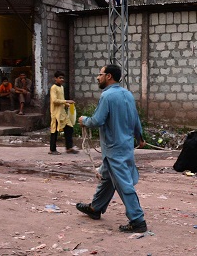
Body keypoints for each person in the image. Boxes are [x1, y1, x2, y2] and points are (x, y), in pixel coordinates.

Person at [75, 64, 147, 234]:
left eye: (100, 74)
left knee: (124, 185)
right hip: (124, 146)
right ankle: (96, 208)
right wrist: (140, 137)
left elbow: (97, 120)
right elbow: (135, 119)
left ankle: (138, 220)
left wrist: (84, 120)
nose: (98, 78)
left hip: (114, 149)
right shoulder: (127, 94)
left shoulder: (107, 96)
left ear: (108, 76)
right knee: (107, 178)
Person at [49, 70, 78, 155]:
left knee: (69, 128)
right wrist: (66, 101)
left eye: (62, 78)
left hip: (63, 113)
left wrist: (67, 104)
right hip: (56, 114)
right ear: (55, 78)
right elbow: (54, 100)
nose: (62, 79)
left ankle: (69, 148)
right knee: (54, 131)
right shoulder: (53, 88)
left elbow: (61, 99)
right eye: (60, 78)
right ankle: (52, 149)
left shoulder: (61, 87)